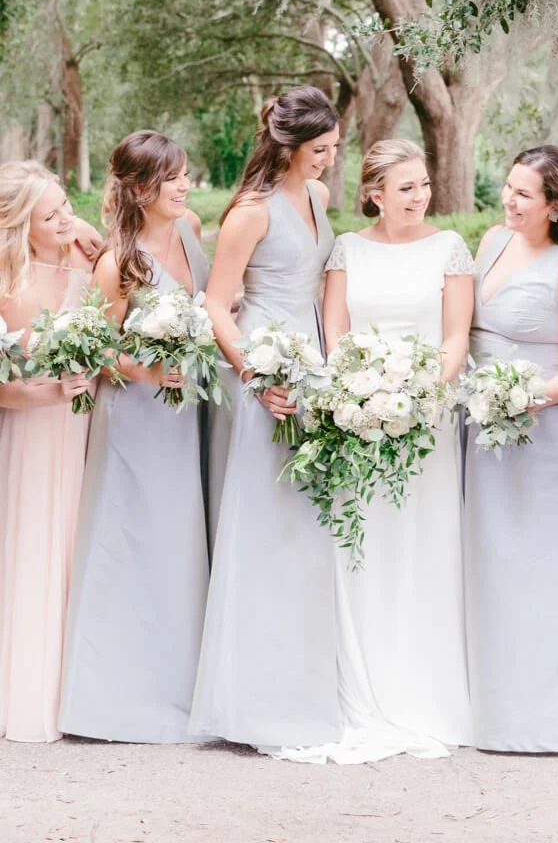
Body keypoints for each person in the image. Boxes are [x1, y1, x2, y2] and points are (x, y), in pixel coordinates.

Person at [287, 138, 474, 763]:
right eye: (405, 188)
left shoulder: (449, 248)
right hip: (359, 416)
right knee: (364, 542)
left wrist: (419, 396)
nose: (419, 197)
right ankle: (363, 685)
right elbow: (334, 332)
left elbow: (455, 337)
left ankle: (424, 691)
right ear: (374, 194)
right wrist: (358, 395)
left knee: (424, 543)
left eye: (424, 185)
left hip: (427, 419)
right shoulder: (348, 249)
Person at [189, 86, 342, 751]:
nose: (329, 160)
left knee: (306, 525)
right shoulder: (250, 213)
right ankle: (250, 699)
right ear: (289, 146)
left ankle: (303, 680)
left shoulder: (319, 197)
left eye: (333, 148)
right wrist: (256, 375)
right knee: (264, 524)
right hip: (265, 368)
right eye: (320, 149)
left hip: (312, 362)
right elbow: (216, 304)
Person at [463, 145, 558, 753]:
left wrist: (532, 398)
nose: (509, 199)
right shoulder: (491, 242)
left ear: (555, 205)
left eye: (524, 194)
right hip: (483, 432)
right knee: (492, 565)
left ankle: (550, 715)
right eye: (508, 186)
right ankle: (492, 709)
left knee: (544, 567)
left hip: (547, 438)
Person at [59, 132, 209, 743]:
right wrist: (147, 372)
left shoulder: (191, 231)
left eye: (185, 174)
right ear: (142, 189)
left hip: (183, 415)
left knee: (177, 540)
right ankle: (115, 697)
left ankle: (181, 682)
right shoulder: (118, 261)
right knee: (133, 540)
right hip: (135, 418)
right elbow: (95, 348)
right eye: (173, 178)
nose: (185, 186)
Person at [0, 162, 93, 743]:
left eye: (66, 206)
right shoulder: (7, 282)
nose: (66, 219)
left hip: (88, 427)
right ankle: (30, 693)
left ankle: (85, 692)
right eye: (50, 215)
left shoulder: (84, 252)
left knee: (82, 546)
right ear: (19, 225)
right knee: (36, 547)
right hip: (34, 431)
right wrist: (47, 393)